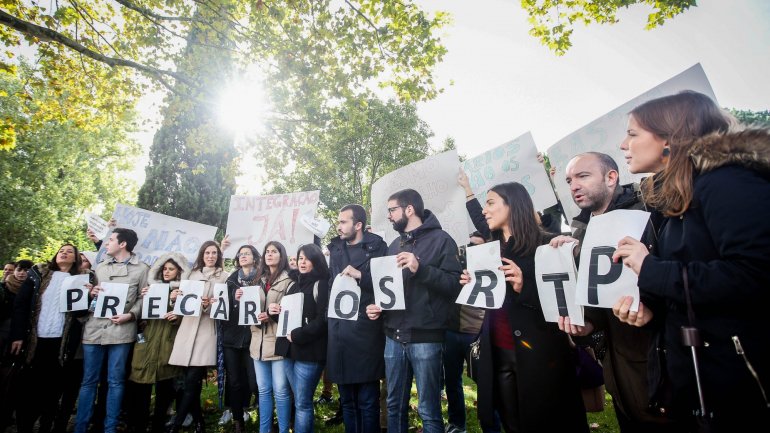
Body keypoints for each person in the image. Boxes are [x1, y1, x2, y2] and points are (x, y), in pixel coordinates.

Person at [612, 91, 769, 431]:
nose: (624, 145)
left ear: (669, 138)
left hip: (742, 389)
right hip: (693, 386)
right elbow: (689, 287)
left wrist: (650, 269)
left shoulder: (729, 184)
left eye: (633, 134)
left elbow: (754, 274)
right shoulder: (672, 201)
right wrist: (651, 310)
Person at [550, 151, 680, 432]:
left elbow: (679, 283)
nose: (573, 185)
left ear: (611, 177)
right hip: (620, 376)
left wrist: (652, 310)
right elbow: (597, 304)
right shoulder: (581, 232)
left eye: (583, 176)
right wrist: (586, 327)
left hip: (662, 371)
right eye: (569, 179)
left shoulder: (649, 215)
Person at [460, 182, 588, 433]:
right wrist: (471, 284)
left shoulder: (549, 245)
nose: (484, 211)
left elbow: (569, 306)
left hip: (541, 357)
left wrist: (523, 286)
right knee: (513, 425)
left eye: (490, 203)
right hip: (498, 354)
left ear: (513, 205)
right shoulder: (489, 251)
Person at [366, 189, 463, 433]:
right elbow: (388, 289)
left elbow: (454, 286)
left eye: (391, 210)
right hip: (393, 336)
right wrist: (379, 307)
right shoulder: (393, 244)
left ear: (409, 209)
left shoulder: (442, 240)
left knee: (428, 409)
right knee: (393, 405)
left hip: (426, 337)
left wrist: (421, 268)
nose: (388, 216)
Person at [8, 248, 90, 433]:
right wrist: (18, 335)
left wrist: (89, 296)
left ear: (76, 259)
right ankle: (24, 425)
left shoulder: (81, 280)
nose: (65, 253)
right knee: (28, 388)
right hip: (33, 342)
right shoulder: (37, 275)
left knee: (52, 389)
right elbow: (20, 305)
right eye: (62, 250)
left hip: (60, 343)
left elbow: (80, 314)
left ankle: (46, 425)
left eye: (70, 252)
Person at [326, 204, 388, 433]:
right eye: (338, 221)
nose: (339, 226)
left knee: (367, 401)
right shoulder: (334, 249)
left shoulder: (379, 247)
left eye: (343, 222)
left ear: (358, 225)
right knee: (348, 402)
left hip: (366, 331)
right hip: (339, 332)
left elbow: (388, 284)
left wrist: (362, 275)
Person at [168, 241, 227, 433]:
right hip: (187, 329)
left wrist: (208, 304)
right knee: (187, 382)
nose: (210, 256)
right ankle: (199, 421)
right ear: (202, 255)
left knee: (192, 379)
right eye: (207, 253)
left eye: (214, 253)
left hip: (206, 331)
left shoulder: (225, 277)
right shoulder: (191, 275)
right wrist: (175, 297)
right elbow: (182, 303)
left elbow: (223, 308)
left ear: (219, 256)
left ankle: (177, 424)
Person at [129, 253, 187, 433]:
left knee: (165, 393)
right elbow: (139, 315)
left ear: (179, 272)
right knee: (141, 393)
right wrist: (143, 298)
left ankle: (158, 426)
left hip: (167, 347)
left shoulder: (183, 291)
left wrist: (175, 309)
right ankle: (138, 426)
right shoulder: (149, 288)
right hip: (146, 344)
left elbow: (185, 319)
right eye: (164, 269)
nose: (166, 272)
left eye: (171, 269)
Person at [276, 243, 330, 433]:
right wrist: (276, 312)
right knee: (297, 400)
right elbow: (288, 316)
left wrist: (299, 335)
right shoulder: (293, 284)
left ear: (316, 261)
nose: (302, 262)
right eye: (300, 258)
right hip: (289, 350)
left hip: (311, 353)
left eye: (307, 258)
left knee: (302, 402)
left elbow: (322, 320)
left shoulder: (322, 284)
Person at [249, 241, 294, 433]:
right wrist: (241, 297)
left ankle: (284, 429)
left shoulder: (290, 280)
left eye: (274, 251)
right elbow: (248, 309)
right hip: (257, 343)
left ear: (281, 255)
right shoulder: (256, 279)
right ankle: (264, 430)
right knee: (263, 391)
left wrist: (273, 313)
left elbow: (292, 312)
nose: (269, 255)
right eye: (267, 252)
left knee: (281, 391)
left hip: (277, 344)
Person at [223, 245, 261, 433]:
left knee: (255, 382)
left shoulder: (262, 279)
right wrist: (232, 297)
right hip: (231, 338)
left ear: (255, 258)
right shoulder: (230, 280)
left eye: (247, 254)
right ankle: (238, 420)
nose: (243, 256)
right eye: (240, 254)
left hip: (253, 337)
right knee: (235, 381)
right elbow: (220, 308)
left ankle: (264, 417)